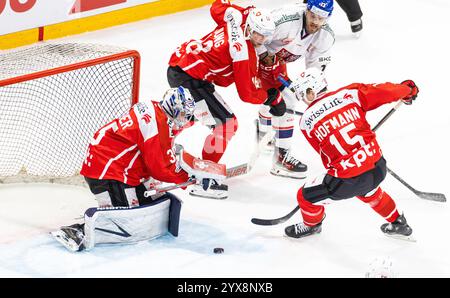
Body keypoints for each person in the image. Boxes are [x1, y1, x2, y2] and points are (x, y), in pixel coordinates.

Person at [51, 87, 226, 251]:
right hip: (108, 170)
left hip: (119, 164)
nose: (183, 121)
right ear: (172, 109)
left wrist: (190, 167)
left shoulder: (159, 110)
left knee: (154, 196)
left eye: (186, 116)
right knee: (128, 223)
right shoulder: (156, 126)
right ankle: (79, 232)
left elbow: (167, 150)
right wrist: (188, 178)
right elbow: (161, 168)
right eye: (181, 115)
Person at [284, 68, 419, 239]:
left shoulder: (305, 121)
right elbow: (384, 91)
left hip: (348, 180)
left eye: (303, 93)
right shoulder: (350, 94)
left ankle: (312, 225)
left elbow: (326, 153)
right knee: (370, 190)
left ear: (311, 91)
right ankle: (398, 223)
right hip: (378, 167)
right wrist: (406, 90)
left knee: (304, 197)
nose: (303, 98)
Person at [168, 1, 284, 198]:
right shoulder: (242, 52)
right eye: (258, 33)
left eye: (265, 36)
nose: (261, 39)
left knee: (204, 115)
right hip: (189, 78)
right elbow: (247, 93)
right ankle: (206, 178)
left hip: (184, 69)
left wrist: (234, 13)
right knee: (226, 124)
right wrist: (271, 98)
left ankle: (163, 139)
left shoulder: (239, 19)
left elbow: (218, 5)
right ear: (250, 28)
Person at [254, 0, 335, 179]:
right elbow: (254, 34)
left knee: (280, 98)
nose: (315, 21)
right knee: (287, 100)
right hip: (258, 58)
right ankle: (281, 158)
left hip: (278, 62)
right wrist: (262, 54)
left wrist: (309, 87)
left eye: (321, 18)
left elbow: (315, 66)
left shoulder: (325, 35)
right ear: (307, 10)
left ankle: (263, 133)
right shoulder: (285, 19)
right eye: (313, 15)